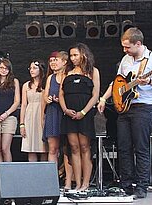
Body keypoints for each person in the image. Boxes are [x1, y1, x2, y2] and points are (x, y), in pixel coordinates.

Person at [97, 27, 152, 199]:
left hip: (143, 108)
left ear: (138, 43)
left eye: (128, 47)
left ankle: (142, 186)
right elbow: (117, 83)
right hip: (125, 109)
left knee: (141, 148)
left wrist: (150, 81)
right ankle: (126, 184)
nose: (125, 50)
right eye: (124, 47)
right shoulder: (126, 59)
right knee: (123, 148)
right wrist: (103, 98)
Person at [59, 43, 100, 192]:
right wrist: (65, 109)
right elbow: (61, 94)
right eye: (71, 55)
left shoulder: (93, 71)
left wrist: (83, 112)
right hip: (69, 114)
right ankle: (76, 183)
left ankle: (86, 183)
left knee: (84, 147)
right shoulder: (67, 72)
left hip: (85, 113)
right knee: (73, 148)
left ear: (84, 54)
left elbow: (95, 95)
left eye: (75, 55)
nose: (73, 58)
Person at [42, 51, 73, 190]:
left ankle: (68, 182)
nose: (53, 63)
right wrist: (47, 99)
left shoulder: (69, 76)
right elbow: (45, 94)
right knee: (53, 149)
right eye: (51, 60)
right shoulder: (50, 78)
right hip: (52, 112)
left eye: (56, 60)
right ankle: (51, 182)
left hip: (64, 113)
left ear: (64, 62)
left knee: (67, 149)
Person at [0, 58, 20, 163]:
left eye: (6, 68)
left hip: (9, 116)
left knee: (5, 148)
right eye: (1, 68)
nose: (3, 70)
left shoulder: (14, 81)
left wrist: (6, 114)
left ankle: (8, 174)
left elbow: (17, 101)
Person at [20, 60, 47, 162]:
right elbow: (23, 104)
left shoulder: (45, 83)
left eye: (34, 68)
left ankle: (43, 174)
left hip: (42, 115)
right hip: (30, 116)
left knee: (43, 148)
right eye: (30, 68)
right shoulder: (27, 85)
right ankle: (33, 174)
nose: (32, 70)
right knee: (30, 148)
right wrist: (22, 124)